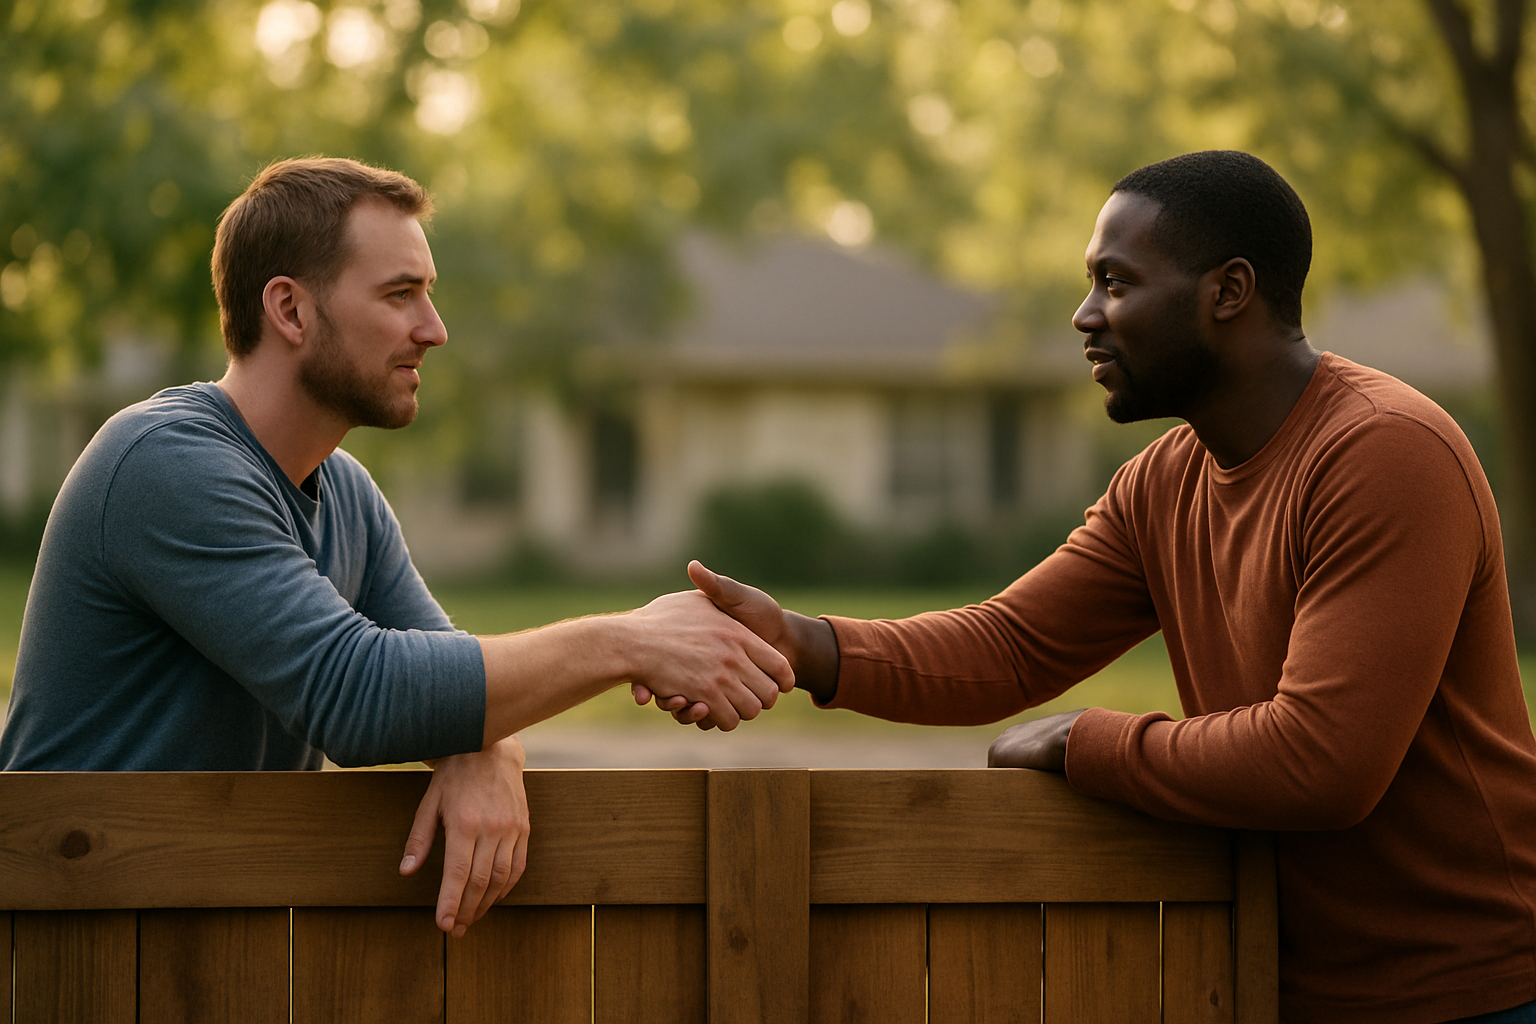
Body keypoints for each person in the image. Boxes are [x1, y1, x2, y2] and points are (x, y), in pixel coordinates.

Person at [638, 151, 1536, 1023]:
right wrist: (802, 643)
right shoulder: (1164, 482)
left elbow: (1320, 764)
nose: (1084, 315)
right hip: (1290, 984)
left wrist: (1084, 741)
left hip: (1480, 989)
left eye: (1116, 281)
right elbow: (1010, 647)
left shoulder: (1384, 453)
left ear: (1227, 292)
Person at [0, 157, 793, 940]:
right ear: (290, 310)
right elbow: (358, 695)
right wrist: (629, 641)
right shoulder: (166, 463)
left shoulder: (345, 492)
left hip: (199, 942)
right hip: (65, 939)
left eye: (429, 294)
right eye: (399, 294)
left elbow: (446, 674)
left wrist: (487, 752)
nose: (434, 329)